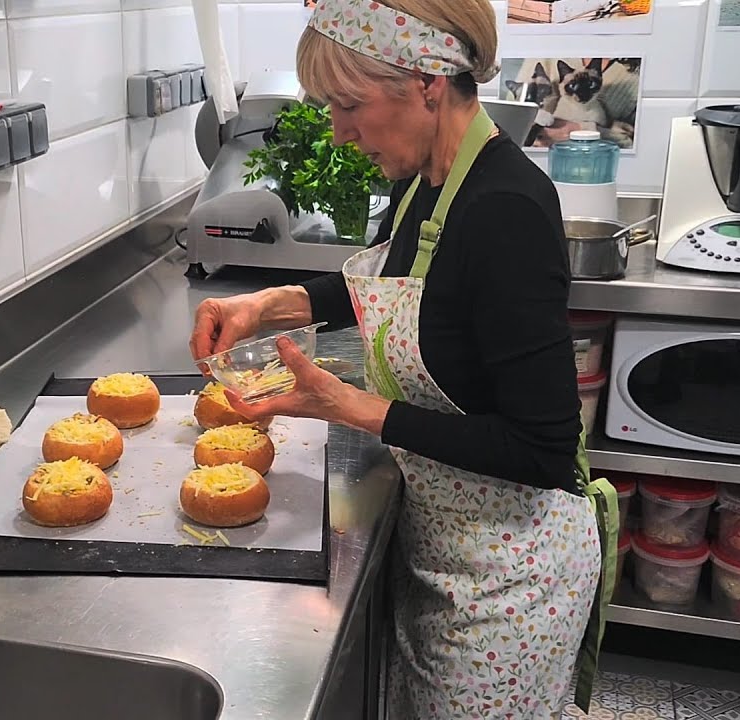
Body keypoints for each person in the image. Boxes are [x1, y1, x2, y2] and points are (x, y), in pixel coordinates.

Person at [187, 0, 620, 717]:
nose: (339, 130)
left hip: (509, 581)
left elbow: (543, 448)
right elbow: (406, 289)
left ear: (427, 80)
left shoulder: (506, 206)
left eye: (350, 104)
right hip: (448, 547)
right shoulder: (428, 179)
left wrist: (345, 404)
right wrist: (267, 305)